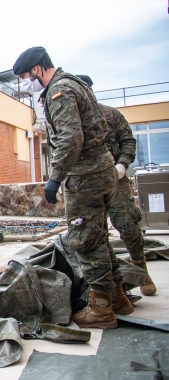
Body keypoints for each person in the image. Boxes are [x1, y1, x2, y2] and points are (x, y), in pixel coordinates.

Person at [12, 47, 132, 329]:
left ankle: (101, 309)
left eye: (26, 76)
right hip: (100, 171)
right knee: (98, 236)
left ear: (38, 68)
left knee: (85, 241)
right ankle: (117, 298)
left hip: (86, 177)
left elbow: (70, 137)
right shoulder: (73, 83)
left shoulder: (60, 91)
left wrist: (55, 177)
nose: (26, 83)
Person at [76, 74, 156, 296]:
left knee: (127, 224)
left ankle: (140, 265)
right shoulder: (72, 119)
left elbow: (128, 141)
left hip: (115, 180)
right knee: (95, 234)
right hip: (87, 184)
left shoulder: (111, 114)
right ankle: (114, 286)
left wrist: (122, 164)